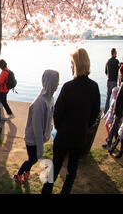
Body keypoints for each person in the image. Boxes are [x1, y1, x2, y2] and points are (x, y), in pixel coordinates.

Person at [41, 48, 100, 194]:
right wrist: (84, 126)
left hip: (63, 136)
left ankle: (46, 192)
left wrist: (61, 128)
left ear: (76, 65)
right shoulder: (94, 87)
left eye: (71, 63)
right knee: (71, 171)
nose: (70, 66)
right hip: (80, 137)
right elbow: (94, 114)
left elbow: (58, 113)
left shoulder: (68, 87)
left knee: (54, 167)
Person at [14, 70, 59, 184]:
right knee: (33, 159)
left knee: (32, 158)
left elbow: (49, 117)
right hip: (32, 139)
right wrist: (40, 147)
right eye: (56, 82)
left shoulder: (50, 99)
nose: (58, 84)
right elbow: (37, 128)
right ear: (50, 83)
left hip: (39, 138)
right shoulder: (39, 103)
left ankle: (26, 171)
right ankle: (19, 174)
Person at [103, 82, 123, 150]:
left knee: (114, 129)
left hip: (117, 113)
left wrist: (115, 112)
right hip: (117, 113)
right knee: (115, 129)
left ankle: (110, 144)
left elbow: (118, 101)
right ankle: (113, 142)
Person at [104, 48, 119, 114]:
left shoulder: (108, 61)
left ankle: (105, 111)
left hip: (109, 80)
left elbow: (105, 71)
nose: (116, 54)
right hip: (114, 81)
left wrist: (108, 75)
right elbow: (119, 72)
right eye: (116, 52)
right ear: (114, 53)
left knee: (108, 97)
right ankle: (112, 112)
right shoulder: (116, 61)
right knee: (114, 98)